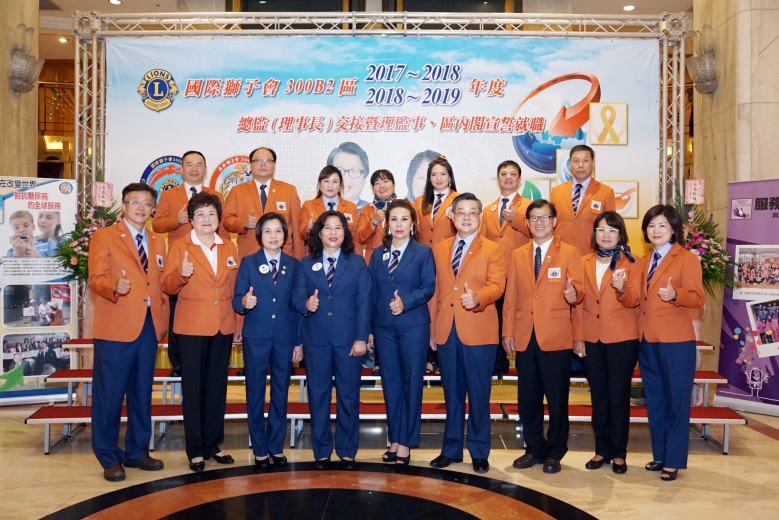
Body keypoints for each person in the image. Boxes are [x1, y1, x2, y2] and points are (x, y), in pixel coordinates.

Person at [88, 182, 169, 482]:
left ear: (153, 209)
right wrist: (114, 285)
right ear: (123, 206)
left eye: (147, 203)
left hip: (148, 327)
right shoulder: (104, 236)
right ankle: (109, 456)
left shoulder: (158, 241)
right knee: (109, 395)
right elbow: (95, 278)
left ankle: (137, 451)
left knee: (141, 392)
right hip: (115, 327)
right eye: (135, 202)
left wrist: (162, 322)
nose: (140, 207)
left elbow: (157, 284)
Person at [502, 199, 584, 474]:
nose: (539, 222)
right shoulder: (518, 254)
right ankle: (533, 448)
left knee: (557, 399)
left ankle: (555, 451)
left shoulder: (570, 252)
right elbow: (511, 296)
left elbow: (579, 288)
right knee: (528, 398)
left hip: (556, 336)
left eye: (544, 217)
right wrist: (508, 331)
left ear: (554, 221)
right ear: (526, 223)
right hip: (525, 335)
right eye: (534, 218)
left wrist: (575, 293)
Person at [429, 192, 506, 474]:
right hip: (446, 331)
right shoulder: (439, 248)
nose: (466, 217)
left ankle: (479, 451)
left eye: (472, 212)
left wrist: (478, 297)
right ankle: (450, 450)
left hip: (479, 330)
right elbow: (435, 292)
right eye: (460, 212)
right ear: (451, 216)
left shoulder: (494, 249)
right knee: (452, 395)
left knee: (478, 394)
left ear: (480, 216)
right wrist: (432, 330)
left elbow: (497, 286)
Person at [162, 192, 239, 472]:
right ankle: (195, 449)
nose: (206, 219)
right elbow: (167, 286)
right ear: (191, 220)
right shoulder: (180, 246)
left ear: (219, 219)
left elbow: (234, 289)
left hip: (223, 325)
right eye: (200, 214)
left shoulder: (229, 247)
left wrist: (238, 324)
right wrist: (180, 274)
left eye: (211, 214)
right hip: (192, 326)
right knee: (193, 390)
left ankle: (213, 444)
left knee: (217, 388)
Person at [292, 211, 372, 470]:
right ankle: (322, 450)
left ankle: (347, 450)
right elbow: (296, 299)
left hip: (349, 340)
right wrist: (306, 303)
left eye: (338, 227)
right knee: (318, 396)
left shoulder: (357, 262)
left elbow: (365, 301)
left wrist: (361, 337)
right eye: (328, 227)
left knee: (349, 396)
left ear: (345, 233)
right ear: (319, 232)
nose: (333, 232)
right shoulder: (306, 263)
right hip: (316, 340)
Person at [638, 204, 705, 481]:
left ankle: (673, 460)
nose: (656, 230)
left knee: (677, 401)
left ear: (674, 228)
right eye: (651, 225)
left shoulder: (686, 259)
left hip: (676, 342)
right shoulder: (643, 260)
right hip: (646, 340)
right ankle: (660, 455)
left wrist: (676, 294)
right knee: (655, 400)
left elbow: (698, 298)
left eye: (662, 225)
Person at [232, 212, 303, 468]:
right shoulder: (248, 262)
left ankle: (276, 446)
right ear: (259, 235)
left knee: (281, 393)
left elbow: (298, 305)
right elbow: (236, 299)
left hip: (285, 337)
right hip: (256, 337)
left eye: (278, 231)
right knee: (255, 392)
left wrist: (298, 341)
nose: (273, 236)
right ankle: (259, 448)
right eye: (268, 231)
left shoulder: (295, 265)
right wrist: (244, 301)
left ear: (285, 235)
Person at [368, 199, 435, 466]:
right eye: (393, 219)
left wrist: (405, 302)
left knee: (411, 383)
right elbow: (371, 292)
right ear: (386, 224)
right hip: (383, 328)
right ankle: (395, 438)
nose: (398, 224)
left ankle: (405, 442)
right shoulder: (377, 254)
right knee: (391, 384)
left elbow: (428, 286)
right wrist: (368, 329)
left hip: (413, 326)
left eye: (404, 219)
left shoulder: (423, 252)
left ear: (413, 224)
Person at [152, 150, 231, 376]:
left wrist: (226, 250)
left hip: (212, 258)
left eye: (199, 165)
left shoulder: (216, 195)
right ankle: (179, 362)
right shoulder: (169, 195)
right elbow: (157, 225)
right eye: (189, 164)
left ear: (205, 169)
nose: (194, 169)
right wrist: (175, 220)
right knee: (179, 310)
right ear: (181, 169)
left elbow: (223, 229)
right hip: (182, 261)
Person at [575, 211, 640, 474]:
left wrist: (622, 289)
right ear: (594, 233)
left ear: (620, 235)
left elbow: (636, 300)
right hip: (591, 339)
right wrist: (578, 337)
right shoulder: (582, 261)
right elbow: (577, 305)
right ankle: (601, 449)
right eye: (601, 229)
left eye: (612, 230)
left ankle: (619, 453)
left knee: (619, 398)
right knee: (599, 397)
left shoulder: (632, 262)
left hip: (622, 338)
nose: (606, 235)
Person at [480, 160, 532, 377]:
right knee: (496, 318)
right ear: (498, 178)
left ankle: (524, 362)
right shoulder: (488, 209)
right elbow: (482, 242)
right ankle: (498, 363)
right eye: (504, 174)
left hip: (521, 272)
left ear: (520, 179)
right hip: (495, 274)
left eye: (512, 174)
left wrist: (517, 219)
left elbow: (538, 233)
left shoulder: (529, 206)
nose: (508, 177)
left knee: (519, 318)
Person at [414, 155, 459, 376]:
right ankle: (427, 357)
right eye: (434, 174)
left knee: (443, 305)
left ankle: (442, 356)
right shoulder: (420, 201)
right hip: (423, 260)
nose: (438, 178)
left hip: (449, 259)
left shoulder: (459, 200)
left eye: (442, 174)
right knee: (425, 306)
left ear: (450, 177)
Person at [222, 147, 304, 261]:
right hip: (249, 253)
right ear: (251, 165)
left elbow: (297, 226)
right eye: (258, 160)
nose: (263, 164)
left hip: (283, 254)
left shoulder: (289, 190)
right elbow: (226, 221)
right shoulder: (237, 191)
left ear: (274, 165)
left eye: (267, 160)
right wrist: (243, 223)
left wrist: (299, 257)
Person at [550, 145, 616, 256]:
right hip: (560, 253)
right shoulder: (556, 191)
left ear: (593, 163)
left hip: (591, 253)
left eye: (585, 160)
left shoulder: (606, 192)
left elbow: (611, 227)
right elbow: (550, 223)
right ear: (570, 165)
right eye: (576, 161)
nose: (580, 165)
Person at [299, 166, 358, 244]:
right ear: (320, 184)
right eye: (326, 181)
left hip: (344, 251)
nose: (330, 185)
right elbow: (302, 235)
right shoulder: (308, 205)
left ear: (340, 186)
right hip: (317, 251)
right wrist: (308, 229)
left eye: (334, 181)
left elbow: (355, 239)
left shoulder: (351, 207)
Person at [355, 169, 398, 263]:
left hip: (398, 258)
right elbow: (360, 238)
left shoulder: (404, 208)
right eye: (377, 183)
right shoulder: (367, 210)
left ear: (394, 185)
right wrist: (373, 221)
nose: (381, 186)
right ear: (373, 188)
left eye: (385, 181)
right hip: (373, 260)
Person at [327, 141, 370, 210]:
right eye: (339, 170)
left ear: (364, 179)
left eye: (354, 171)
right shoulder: (312, 209)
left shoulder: (373, 212)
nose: (346, 178)